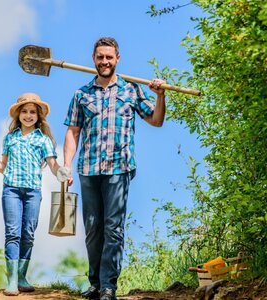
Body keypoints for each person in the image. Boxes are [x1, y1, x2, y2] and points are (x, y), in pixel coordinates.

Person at [63, 37, 166, 300]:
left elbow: (155, 120)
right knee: (93, 227)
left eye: (109, 57)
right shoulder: (82, 94)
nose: (104, 61)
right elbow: (73, 132)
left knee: (114, 227)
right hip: (88, 168)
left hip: (119, 168)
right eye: (100, 57)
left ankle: (109, 285)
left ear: (117, 58)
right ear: (93, 58)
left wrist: (160, 95)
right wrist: (66, 165)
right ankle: (95, 284)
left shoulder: (131, 90)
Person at [0, 92, 62, 296]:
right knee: (13, 233)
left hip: (33, 191)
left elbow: (52, 164)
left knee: (28, 234)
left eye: (33, 112)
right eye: (25, 111)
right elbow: (3, 166)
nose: (28, 115)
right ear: (18, 115)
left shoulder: (43, 140)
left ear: (38, 116)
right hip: (11, 190)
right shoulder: (10, 138)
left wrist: (61, 173)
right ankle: (12, 279)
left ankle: (22, 276)